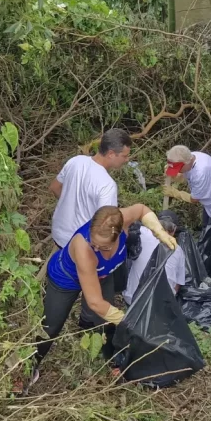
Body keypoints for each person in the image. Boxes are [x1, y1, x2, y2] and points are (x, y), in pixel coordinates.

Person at [30, 204, 178, 386]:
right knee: (50, 328)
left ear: (118, 234)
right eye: (94, 244)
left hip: (101, 275)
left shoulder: (118, 220)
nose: (97, 249)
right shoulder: (84, 250)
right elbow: (95, 302)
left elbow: (141, 209)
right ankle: (29, 366)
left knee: (105, 322)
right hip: (65, 279)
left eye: (104, 247)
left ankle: (106, 353)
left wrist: (158, 230)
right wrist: (129, 322)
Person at [49, 129, 132, 327]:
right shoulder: (106, 185)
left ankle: (52, 311)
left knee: (59, 279)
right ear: (111, 153)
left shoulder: (75, 161)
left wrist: (70, 206)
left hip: (60, 236)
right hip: (84, 248)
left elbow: (54, 188)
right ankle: (89, 323)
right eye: (125, 156)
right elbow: (106, 223)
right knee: (97, 293)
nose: (127, 160)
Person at [164, 145, 211, 226]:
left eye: (178, 169)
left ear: (186, 163)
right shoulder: (189, 156)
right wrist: (177, 175)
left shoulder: (201, 172)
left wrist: (176, 193)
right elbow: (189, 174)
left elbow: (195, 199)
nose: (179, 171)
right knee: (207, 225)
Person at [124, 211, 187, 305]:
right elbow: (178, 284)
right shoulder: (178, 250)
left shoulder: (141, 233)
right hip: (161, 305)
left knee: (130, 254)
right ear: (174, 230)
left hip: (133, 299)